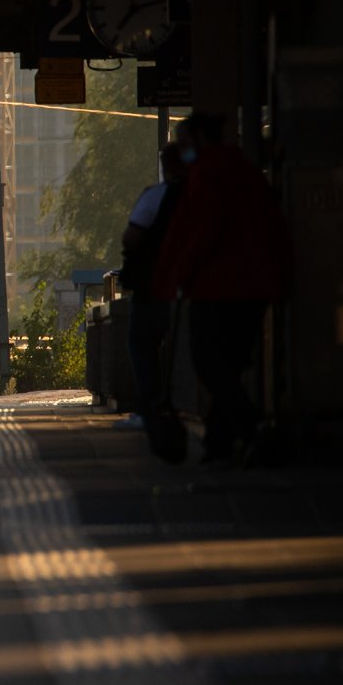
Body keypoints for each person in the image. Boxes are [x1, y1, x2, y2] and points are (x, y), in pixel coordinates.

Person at [150, 114, 293, 465]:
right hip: (253, 286)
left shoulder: (211, 172)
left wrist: (181, 274)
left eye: (184, 144)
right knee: (227, 366)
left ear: (201, 138)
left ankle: (253, 429)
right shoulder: (241, 169)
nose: (183, 153)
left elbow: (205, 230)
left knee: (210, 364)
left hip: (220, 287)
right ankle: (219, 444)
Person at [115, 143, 187, 431]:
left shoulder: (157, 196)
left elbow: (131, 237)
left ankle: (152, 409)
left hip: (155, 286)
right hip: (194, 285)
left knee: (142, 345)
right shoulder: (205, 195)